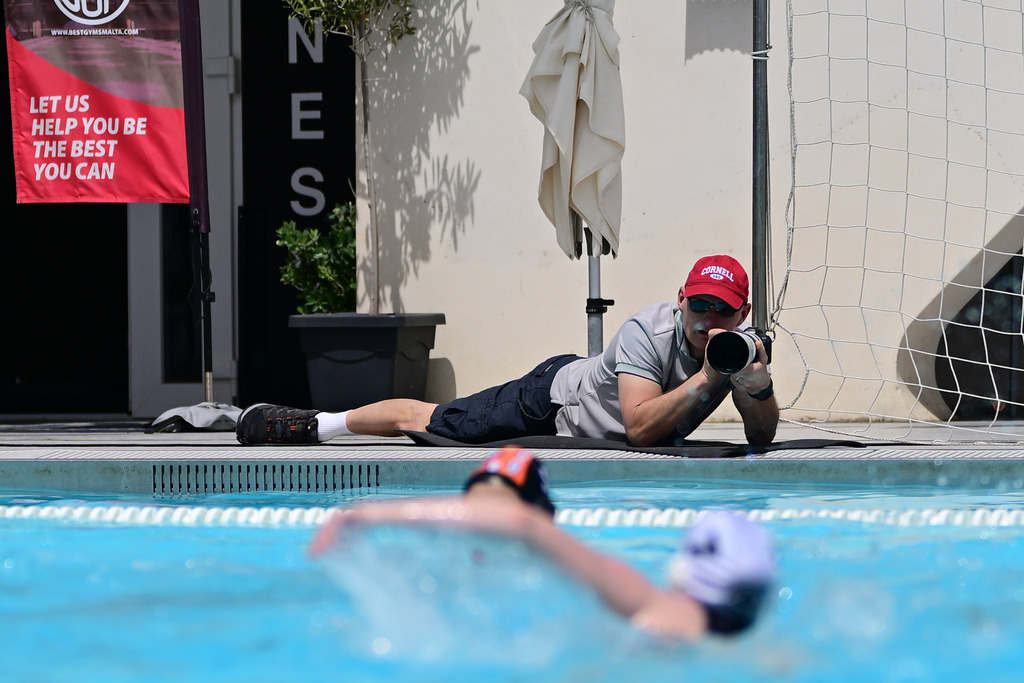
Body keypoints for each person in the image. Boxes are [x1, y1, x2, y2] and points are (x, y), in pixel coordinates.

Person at [236, 254, 778, 448]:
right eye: (699, 304)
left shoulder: (738, 348)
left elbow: (760, 437)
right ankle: (315, 424)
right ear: (681, 298)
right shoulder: (647, 331)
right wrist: (710, 377)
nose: (708, 320)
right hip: (550, 401)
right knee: (428, 420)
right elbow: (638, 430)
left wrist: (756, 388)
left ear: (743, 313)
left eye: (722, 310)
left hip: (582, 395)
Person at [310, 448, 776, 640]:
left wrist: (364, 513)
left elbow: (521, 525)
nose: (480, 523)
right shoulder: (764, 652)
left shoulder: (640, 600)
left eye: (491, 512)